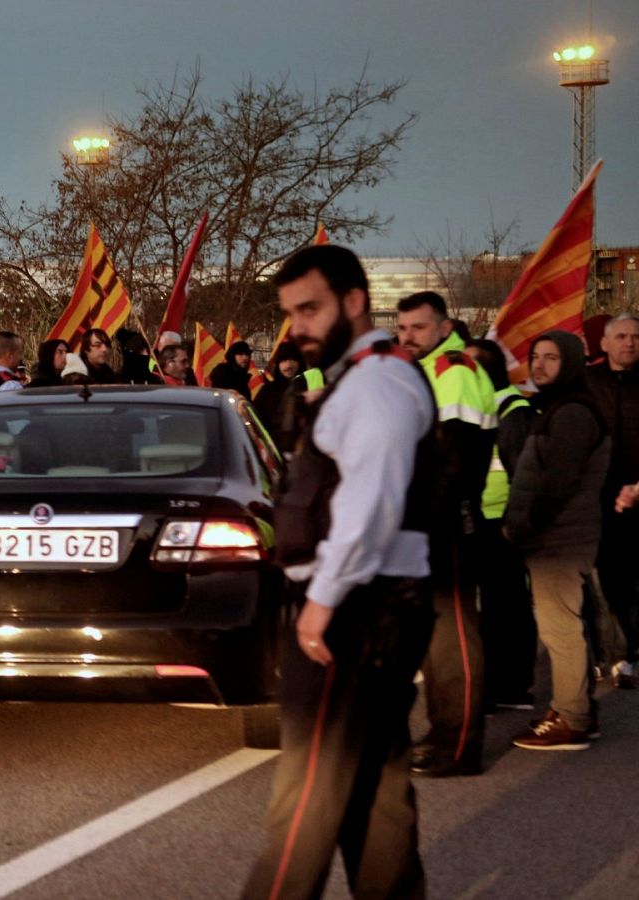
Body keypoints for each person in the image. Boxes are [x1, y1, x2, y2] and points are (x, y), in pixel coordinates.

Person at [243, 244, 435, 900]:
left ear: (354, 301)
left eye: (310, 309)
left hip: (353, 611)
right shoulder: (365, 378)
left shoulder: (377, 382)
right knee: (376, 787)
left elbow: (368, 505)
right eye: (290, 312)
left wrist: (320, 605)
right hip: (373, 607)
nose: (297, 326)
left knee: (305, 799)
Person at [395, 290, 496, 778]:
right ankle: (443, 733)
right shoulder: (424, 371)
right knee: (435, 637)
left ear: (444, 327)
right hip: (429, 518)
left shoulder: (452, 369)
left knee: (452, 634)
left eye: (418, 327)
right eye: (402, 328)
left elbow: (454, 456)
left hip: (447, 519)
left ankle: (458, 745)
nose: (408, 336)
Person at [505, 331, 610, 750]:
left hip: (560, 539)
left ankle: (572, 719)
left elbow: (558, 481)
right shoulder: (560, 407)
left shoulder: (571, 413)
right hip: (560, 535)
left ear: (570, 362)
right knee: (565, 624)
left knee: (559, 628)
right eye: (536, 356)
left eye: (551, 357)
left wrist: (527, 526)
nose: (540, 364)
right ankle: (576, 707)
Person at [463, 338, 537, 712]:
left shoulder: (511, 408)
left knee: (506, 606)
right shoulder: (483, 402)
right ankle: (498, 683)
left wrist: (516, 521)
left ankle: (509, 686)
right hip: (480, 518)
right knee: (492, 606)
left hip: (502, 522)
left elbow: (523, 474)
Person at [584, 312, 639, 689]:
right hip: (598, 501)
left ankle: (631, 653)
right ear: (604, 343)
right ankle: (605, 654)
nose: (629, 342)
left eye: (635, 336)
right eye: (621, 336)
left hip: (637, 497)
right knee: (604, 582)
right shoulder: (587, 382)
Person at [253, 341, 302, 445]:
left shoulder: (309, 387)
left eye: (292, 359)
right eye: (283, 360)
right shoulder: (267, 390)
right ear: (278, 364)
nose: (288, 365)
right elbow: (255, 420)